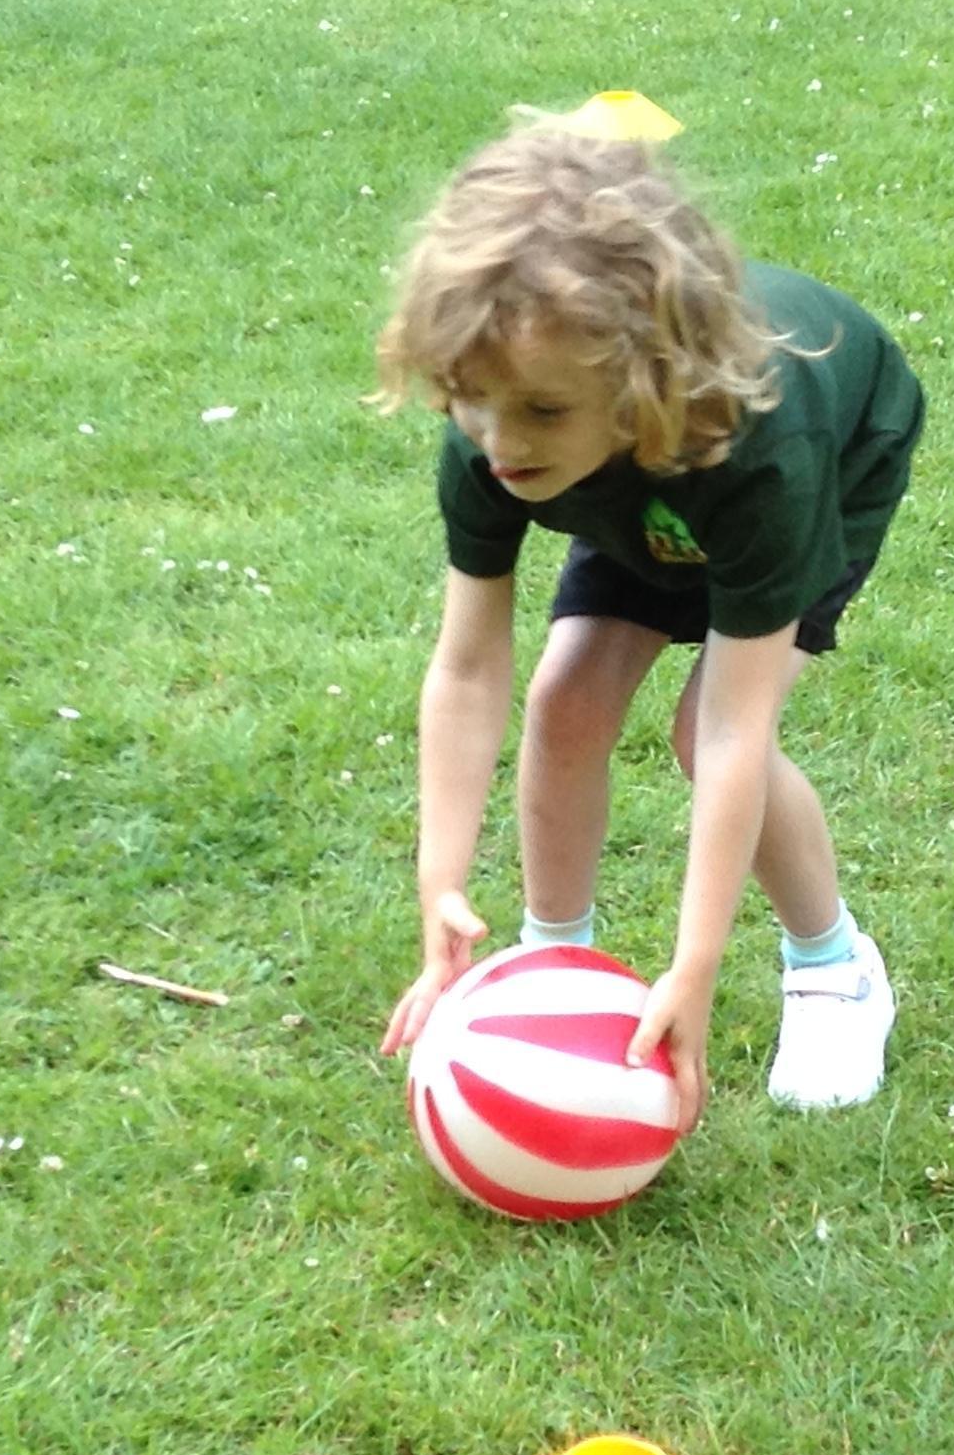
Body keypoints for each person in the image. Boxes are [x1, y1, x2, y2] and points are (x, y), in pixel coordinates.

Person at [371, 122, 925, 1129]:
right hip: (626, 479)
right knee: (567, 699)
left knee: (697, 729)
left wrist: (694, 963)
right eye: (470, 400)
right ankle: (554, 961)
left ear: (642, 383)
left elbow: (735, 727)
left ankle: (834, 970)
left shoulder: (766, 460)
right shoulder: (502, 435)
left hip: (825, 456)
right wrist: (440, 882)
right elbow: (467, 669)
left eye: (539, 410)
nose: (500, 441)